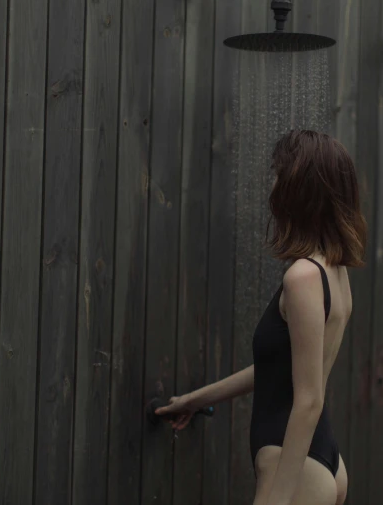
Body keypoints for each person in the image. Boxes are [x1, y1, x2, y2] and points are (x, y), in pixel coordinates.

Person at [156, 129, 367, 505]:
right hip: (323, 462)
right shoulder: (335, 270)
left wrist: (279, 499)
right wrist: (194, 398)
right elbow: (282, 368)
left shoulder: (303, 277)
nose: (272, 186)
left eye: (278, 175)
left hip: (294, 468)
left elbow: (308, 400)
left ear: (298, 190)